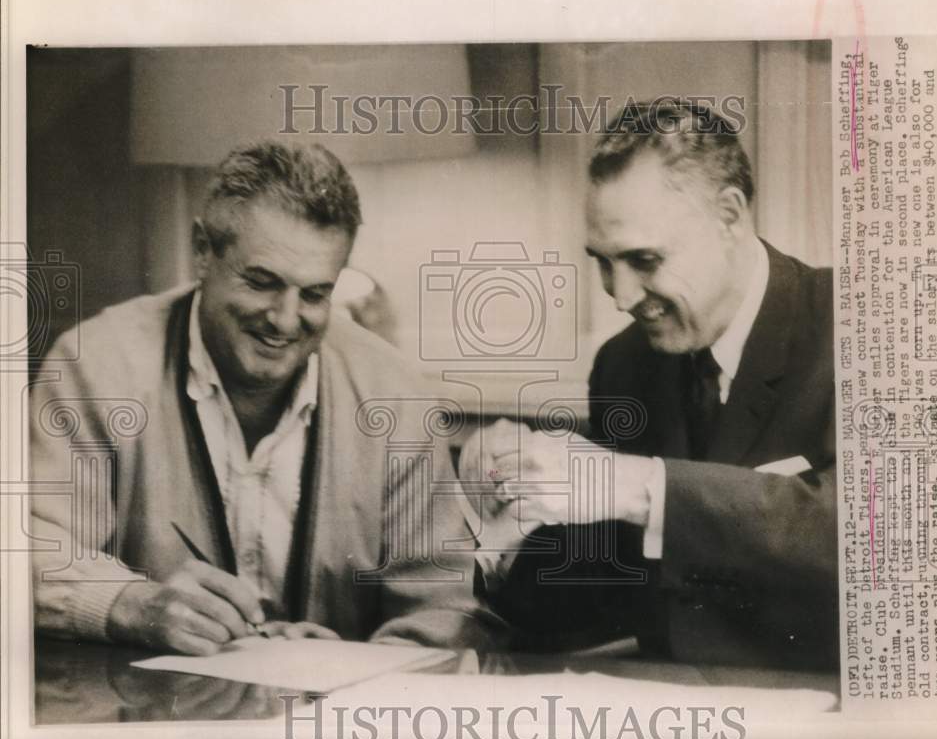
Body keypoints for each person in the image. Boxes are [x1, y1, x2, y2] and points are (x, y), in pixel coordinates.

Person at [31, 141, 502, 655]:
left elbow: (446, 611)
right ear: (202, 251)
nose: (283, 319)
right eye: (261, 282)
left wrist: (352, 661)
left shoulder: (396, 396)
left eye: (315, 294)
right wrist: (129, 603)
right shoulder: (96, 364)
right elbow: (22, 551)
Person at [464, 101, 837, 669]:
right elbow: (589, 598)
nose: (620, 295)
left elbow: (880, 535)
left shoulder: (865, 323)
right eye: (603, 263)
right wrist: (506, 524)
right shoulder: (625, 366)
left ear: (730, 216)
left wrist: (641, 487)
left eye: (644, 259)